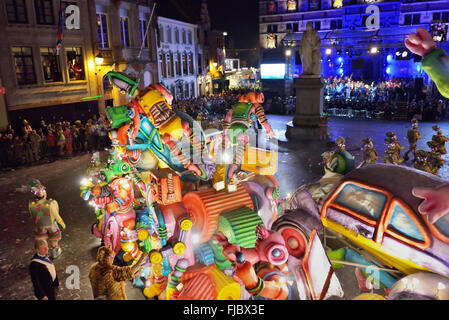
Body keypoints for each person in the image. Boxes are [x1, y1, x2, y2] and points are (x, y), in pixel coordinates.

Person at [28, 179, 66, 259]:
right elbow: (56, 215)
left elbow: (33, 216)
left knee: (41, 240)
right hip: (51, 224)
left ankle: (43, 253)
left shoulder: (31, 204)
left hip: (40, 226)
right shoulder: (51, 204)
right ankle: (54, 252)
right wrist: (62, 223)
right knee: (53, 240)